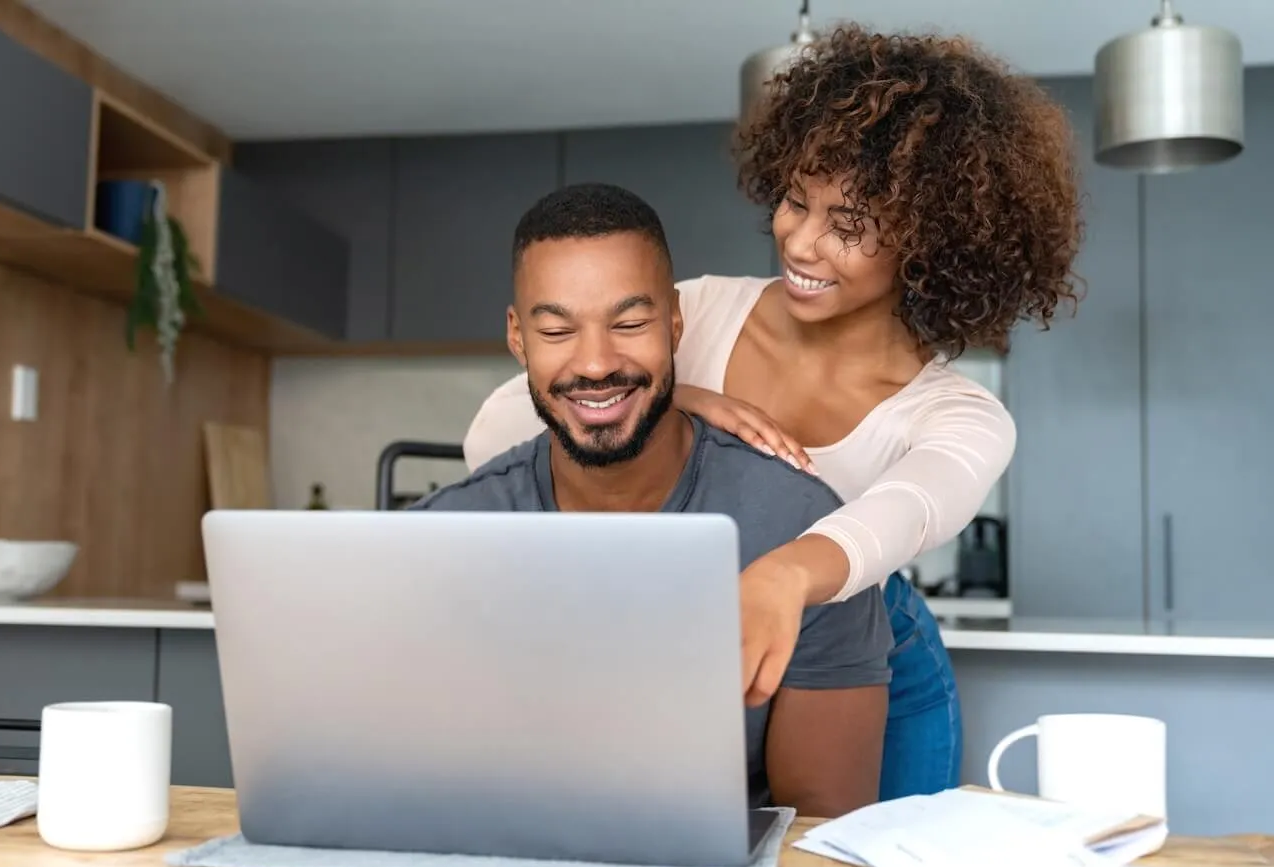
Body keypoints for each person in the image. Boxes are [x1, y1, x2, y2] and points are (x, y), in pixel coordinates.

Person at [461, 24, 1084, 801]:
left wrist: (784, 576)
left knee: (863, 866)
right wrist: (662, 394)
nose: (801, 240)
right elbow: (492, 434)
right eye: (796, 200)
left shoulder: (959, 415)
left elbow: (901, 512)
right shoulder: (700, 310)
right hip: (696, 636)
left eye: (847, 225)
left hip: (875, 665)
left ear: (929, 242)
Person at [411, 182, 893, 817]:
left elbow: (816, 836)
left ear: (674, 321)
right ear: (518, 338)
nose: (595, 363)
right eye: (556, 330)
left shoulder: (799, 528)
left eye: (630, 324)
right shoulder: (433, 541)